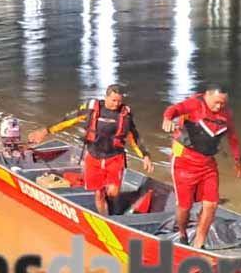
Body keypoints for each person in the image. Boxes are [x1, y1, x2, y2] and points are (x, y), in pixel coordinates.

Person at [28, 84, 154, 214]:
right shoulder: (92, 109)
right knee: (99, 194)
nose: (116, 104)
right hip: (94, 158)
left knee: (113, 191)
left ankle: (113, 209)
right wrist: (46, 130)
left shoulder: (125, 114)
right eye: (113, 100)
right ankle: (105, 217)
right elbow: (68, 120)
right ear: (106, 97)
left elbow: (134, 136)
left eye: (119, 101)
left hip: (115, 158)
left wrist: (145, 155)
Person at [162, 84, 241, 248]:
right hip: (184, 162)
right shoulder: (194, 104)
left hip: (207, 164)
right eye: (216, 102)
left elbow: (233, 138)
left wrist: (238, 161)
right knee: (185, 206)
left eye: (222, 103)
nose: (219, 106)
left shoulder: (225, 114)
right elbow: (174, 109)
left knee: (211, 204)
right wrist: (167, 119)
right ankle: (183, 233)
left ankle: (199, 244)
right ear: (207, 95)